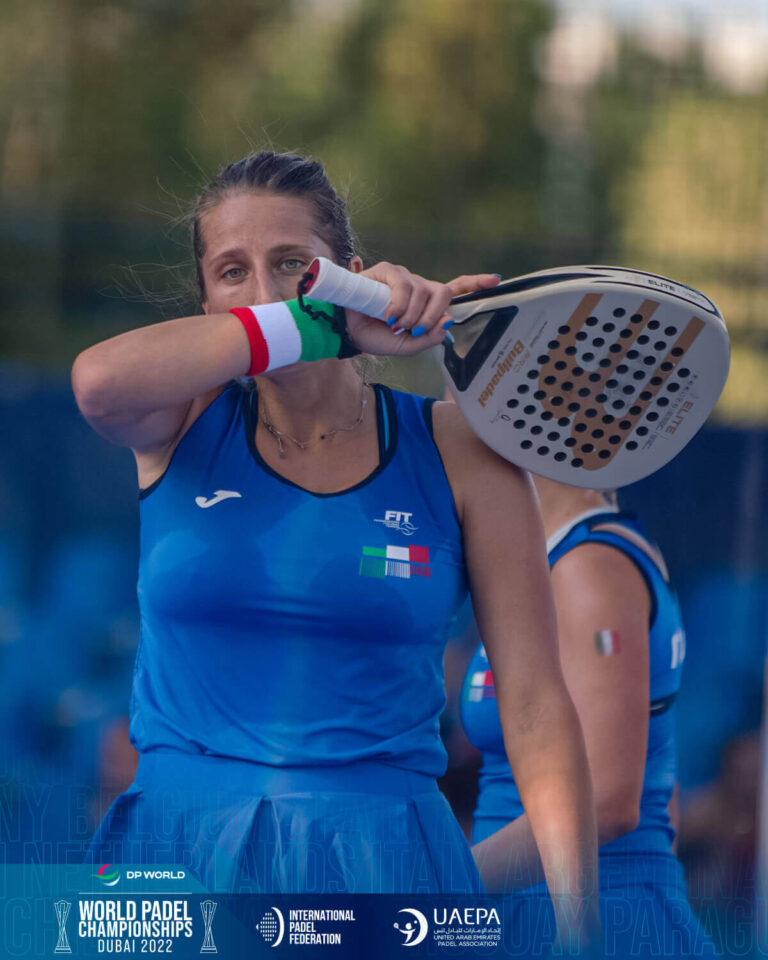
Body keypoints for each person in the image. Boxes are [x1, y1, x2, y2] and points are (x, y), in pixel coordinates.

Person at [72, 151, 600, 934]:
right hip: (176, 857)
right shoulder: (177, 420)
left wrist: (581, 930)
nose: (264, 291)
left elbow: (534, 705)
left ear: (354, 278)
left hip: (382, 865)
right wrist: (318, 324)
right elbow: (97, 382)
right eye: (232, 272)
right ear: (207, 303)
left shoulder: (459, 448)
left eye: (293, 265)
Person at [461, 476, 720, 956]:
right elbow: (659, 785)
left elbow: (605, 802)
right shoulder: (561, 558)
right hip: (534, 915)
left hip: (597, 921)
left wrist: (440, 885)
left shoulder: (591, 566)